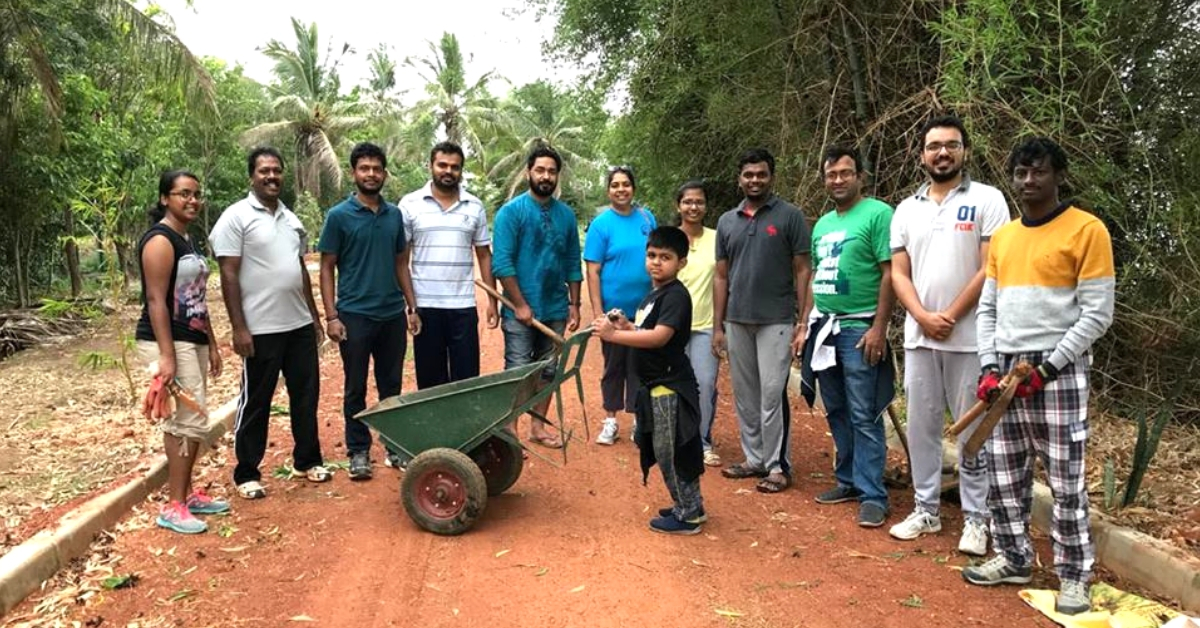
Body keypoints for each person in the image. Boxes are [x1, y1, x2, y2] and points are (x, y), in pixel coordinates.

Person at [963, 137, 1114, 616]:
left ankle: (1074, 576)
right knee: (1005, 474)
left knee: (1066, 481)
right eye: (1021, 173)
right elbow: (987, 308)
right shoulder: (1005, 237)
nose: (1029, 181)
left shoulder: (1087, 230)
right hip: (1006, 368)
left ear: (1058, 175)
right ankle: (1013, 556)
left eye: (1039, 172)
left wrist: (1048, 368)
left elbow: (1096, 315)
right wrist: (990, 367)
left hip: (1058, 372)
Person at [887, 115, 1011, 553]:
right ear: (922, 155)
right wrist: (922, 315)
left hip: (970, 337)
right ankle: (926, 509)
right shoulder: (906, 208)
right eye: (934, 146)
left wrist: (952, 314)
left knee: (972, 430)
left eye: (951, 145)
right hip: (920, 337)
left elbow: (989, 267)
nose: (942, 153)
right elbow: (899, 273)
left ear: (964, 151)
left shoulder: (988, 199)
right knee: (921, 425)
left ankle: (977, 519)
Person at [210, 147, 329, 500]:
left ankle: (307, 460)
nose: (272, 176)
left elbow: (299, 271)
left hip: (298, 324)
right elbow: (228, 273)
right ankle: (247, 471)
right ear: (252, 176)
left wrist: (314, 317)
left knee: (305, 396)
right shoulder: (236, 217)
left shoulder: (292, 220)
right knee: (256, 400)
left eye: (277, 170)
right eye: (264, 171)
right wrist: (239, 327)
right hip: (260, 328)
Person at [804, 146, 896, 528]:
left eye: (845, 173)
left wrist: (879, 327)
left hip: (859, 329)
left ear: (860, 176)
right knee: (837, 409)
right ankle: (848, 480)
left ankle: (873, 494)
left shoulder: (878, 214)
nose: (838, 180)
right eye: (831, 174)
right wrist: (804, 325)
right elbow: (814, 274)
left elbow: (890, 273)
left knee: (864, 412)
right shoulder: (823, 223)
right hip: (824, 326)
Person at [592, 226, 705, 534]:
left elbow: (659, 338)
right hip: (657, 386)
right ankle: (691, 504)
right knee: (672, 448)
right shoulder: (653, 295)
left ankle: (688, 515)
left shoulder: (676, 296)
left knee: (673, 452)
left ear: (681, 262)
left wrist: (615, 335)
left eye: (665, 257)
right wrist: (627, 325)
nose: (656, 262)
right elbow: (644, 330)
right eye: (652, 255)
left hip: (669, 387)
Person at [713, 148, 812, 494]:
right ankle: (754, 458)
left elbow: (803, 270)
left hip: (777, 320)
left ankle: (777, 465)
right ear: (739, 178)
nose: (755, 180)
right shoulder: (727, 221)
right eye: (748, 175)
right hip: (737, 320)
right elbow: (721, 277)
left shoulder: (789, 216)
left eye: (761, 174)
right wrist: (717, 325)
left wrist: (803, 321)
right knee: (745, 394)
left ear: (771, 177)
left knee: (772, 395)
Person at [136, 170, 227, 533]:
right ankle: (174, 506)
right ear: (164, 198)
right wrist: (167, 355)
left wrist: (214, 344)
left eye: (195, 195)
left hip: (194, 339)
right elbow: (156, 300)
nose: (192, 200)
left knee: (191, 419)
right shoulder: (159, 241)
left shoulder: (185, 239)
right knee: (187, 420)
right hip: (169, 340)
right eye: (183, 194)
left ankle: (187, 495)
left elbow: (196, 299)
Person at [318, 142, 416, 480]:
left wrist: (411, 307)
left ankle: (393, 446)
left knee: (391, 385)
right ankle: (358, 450)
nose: (371, 174)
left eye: (377, 169)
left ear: (384, 174)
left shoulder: (394, 215)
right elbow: (327, 267)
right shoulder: (338, 216)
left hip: (391, 314)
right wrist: (331, 316)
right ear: (353, 173)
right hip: (354, 315)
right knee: (355, 386)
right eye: (365, 168)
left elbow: (401, 263)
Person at [492, 145, 582, 448]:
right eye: (540, 170)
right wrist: (519, 304)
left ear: (557, 176)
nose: (546, 176)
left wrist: (574, 304)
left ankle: (538, 428)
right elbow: (502, 263)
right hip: (519, 311)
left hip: (555, 308)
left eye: (551, 171)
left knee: (548, 369)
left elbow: (572, 261)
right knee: (517, 370)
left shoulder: (566, 215)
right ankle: (511, 432)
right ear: (528, 172)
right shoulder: (511, 213)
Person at [399, 141, 498, 393]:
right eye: (442, 165)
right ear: (431, 166)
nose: (448, 171)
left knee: (466, 382)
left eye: (455, 167)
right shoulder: (409, 204)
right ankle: (436, 432)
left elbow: (484, 255)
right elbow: (401, 260)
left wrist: (492, 301)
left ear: (461, 171)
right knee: (430, 384)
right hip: (426, 307)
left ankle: (465, 433)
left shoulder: (474, 206)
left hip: (462, 307)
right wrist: (410, 306)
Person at [584, 165, 656, 445]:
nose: (621, 189)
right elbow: (593, 270)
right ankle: (611, 421)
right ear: (608, 190)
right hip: (614, 311)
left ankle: (639, 421)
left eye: (626, 184)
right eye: (615, 185)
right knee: (614, 365)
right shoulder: (602, 225)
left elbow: (658, 258)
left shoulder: (647, 219)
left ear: (633, 188)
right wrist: (599, 311)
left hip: (644, 310)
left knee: (640, 365)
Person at [674, 181, 722, 467]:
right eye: (687, 202)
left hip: (706, 325)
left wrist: (720, 327)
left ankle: (702, 441)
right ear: (678, 205)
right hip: (672, 327)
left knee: (704, 383)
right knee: (673, 384)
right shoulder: (668, 239)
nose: (693, 207)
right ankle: (674, 437)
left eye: (699, 202)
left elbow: (724, 280)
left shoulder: (718, 238)